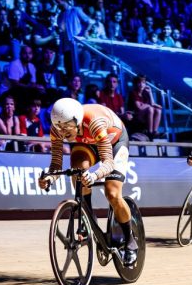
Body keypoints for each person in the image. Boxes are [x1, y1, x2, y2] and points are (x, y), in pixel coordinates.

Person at [37, 98, 137, 266]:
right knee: (77, 171)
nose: (63, 133)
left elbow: (108, 163)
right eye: (59, 129)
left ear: (77, 120)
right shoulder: (58, 128)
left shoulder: (94, 122)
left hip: (114, 142)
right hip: (87, 143)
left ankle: (130, 241)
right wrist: (49, 178)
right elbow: (56, 164)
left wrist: (94, 175)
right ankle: (88, 219)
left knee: (112, 193)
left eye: (67, 128)